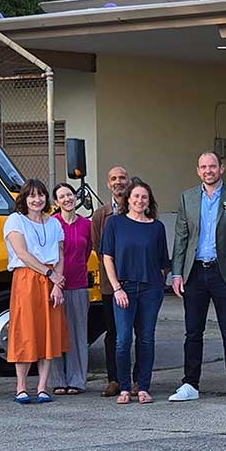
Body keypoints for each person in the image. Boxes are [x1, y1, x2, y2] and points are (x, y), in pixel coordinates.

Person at [168, 152, 226, 404]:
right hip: (194, 273)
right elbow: (181, 237)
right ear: (198, 171)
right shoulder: (188, 197)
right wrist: (177, 272)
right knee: (193, 331)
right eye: (203, 167)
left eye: (212, 166)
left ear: (221, 169)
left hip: (223, 271)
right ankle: (190, 384)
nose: (208, 170)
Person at [101, 180, 170, 405]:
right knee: (122, 341)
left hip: (151, 289)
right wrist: (117, 288)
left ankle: (142, 386)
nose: (140, 201)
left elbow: (162, 261)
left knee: (146, 339)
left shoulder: (156, 227)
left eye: (144, 197)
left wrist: (159, 285)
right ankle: (123, 387)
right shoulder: (115, 224)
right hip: (124, 288)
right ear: (128, 199)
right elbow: (107, 257)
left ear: (149, 202)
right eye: (136, 196)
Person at [3, 179, 68, 405]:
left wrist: (57, 284)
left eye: (40, 195)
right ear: (24, 199)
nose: (37, 200)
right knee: (26, 330)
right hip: (27, 278)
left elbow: (60, 255)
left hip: (51, 279)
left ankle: (42, 386)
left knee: (47, 332)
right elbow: (22, 253)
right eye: (31, 196)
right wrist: (50, 275)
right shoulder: (15, 220)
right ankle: (21, 386)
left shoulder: (54, 224)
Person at [91, 165, 138, 397]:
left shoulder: (140, 208)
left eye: (122, 177)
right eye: (113, 179)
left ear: (128, 181)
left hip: (139, 282)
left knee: (140, 331)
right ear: (108, 184)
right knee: (114, 333)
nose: (118, 182)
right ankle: (115, 379)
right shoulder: (101, 214)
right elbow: (99, 248)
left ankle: (138, 379)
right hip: (112, 286)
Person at [50, 183, 92, 396]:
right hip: (55, 287)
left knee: (77, 334)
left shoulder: (86, 224)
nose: (67, 199)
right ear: (56, 202)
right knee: (56, 333)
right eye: (61, 196)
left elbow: (87, 252)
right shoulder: (51, 224)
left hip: (79, 285)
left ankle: (76, 380)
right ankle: (58, 380)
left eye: (70, 194)